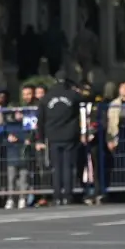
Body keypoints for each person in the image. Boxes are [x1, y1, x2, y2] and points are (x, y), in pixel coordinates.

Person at [34, 77, 83, 207]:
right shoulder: (73, 95)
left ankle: (57, 196)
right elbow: (85, 98)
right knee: (68, 166)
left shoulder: (46, 98)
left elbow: (40, 120)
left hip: (53, 136)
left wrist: (40, 138)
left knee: (56, 167)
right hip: (69, 136)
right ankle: (68, 195)